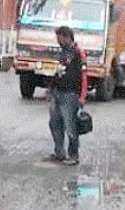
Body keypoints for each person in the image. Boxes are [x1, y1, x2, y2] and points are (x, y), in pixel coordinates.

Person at [47, 26, 87, 166]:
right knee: (54, 123)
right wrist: (51, 88)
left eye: (60, 37)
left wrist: (82, 96)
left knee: (70, 127)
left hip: (70, 95)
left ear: (67, 37)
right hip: (58, 93)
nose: (58, 40)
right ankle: (59, 153)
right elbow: (59, 72)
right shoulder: (63, 53)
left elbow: (83, 76)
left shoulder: (78, 53)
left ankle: (73, 156)